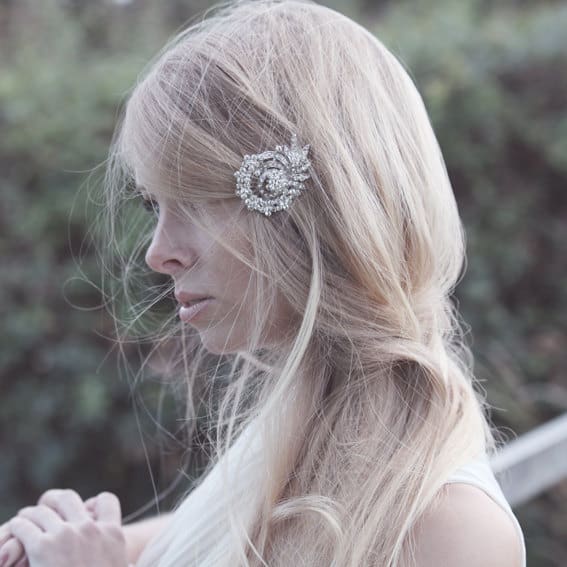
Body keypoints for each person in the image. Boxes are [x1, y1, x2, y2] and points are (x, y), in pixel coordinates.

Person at [0, 0, 527, 565]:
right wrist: (85, 543)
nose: (158, 253)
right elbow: (231, 539)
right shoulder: (293, 433)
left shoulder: (455, 530)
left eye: (197, 201)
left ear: (313, 210)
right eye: (156, 205)